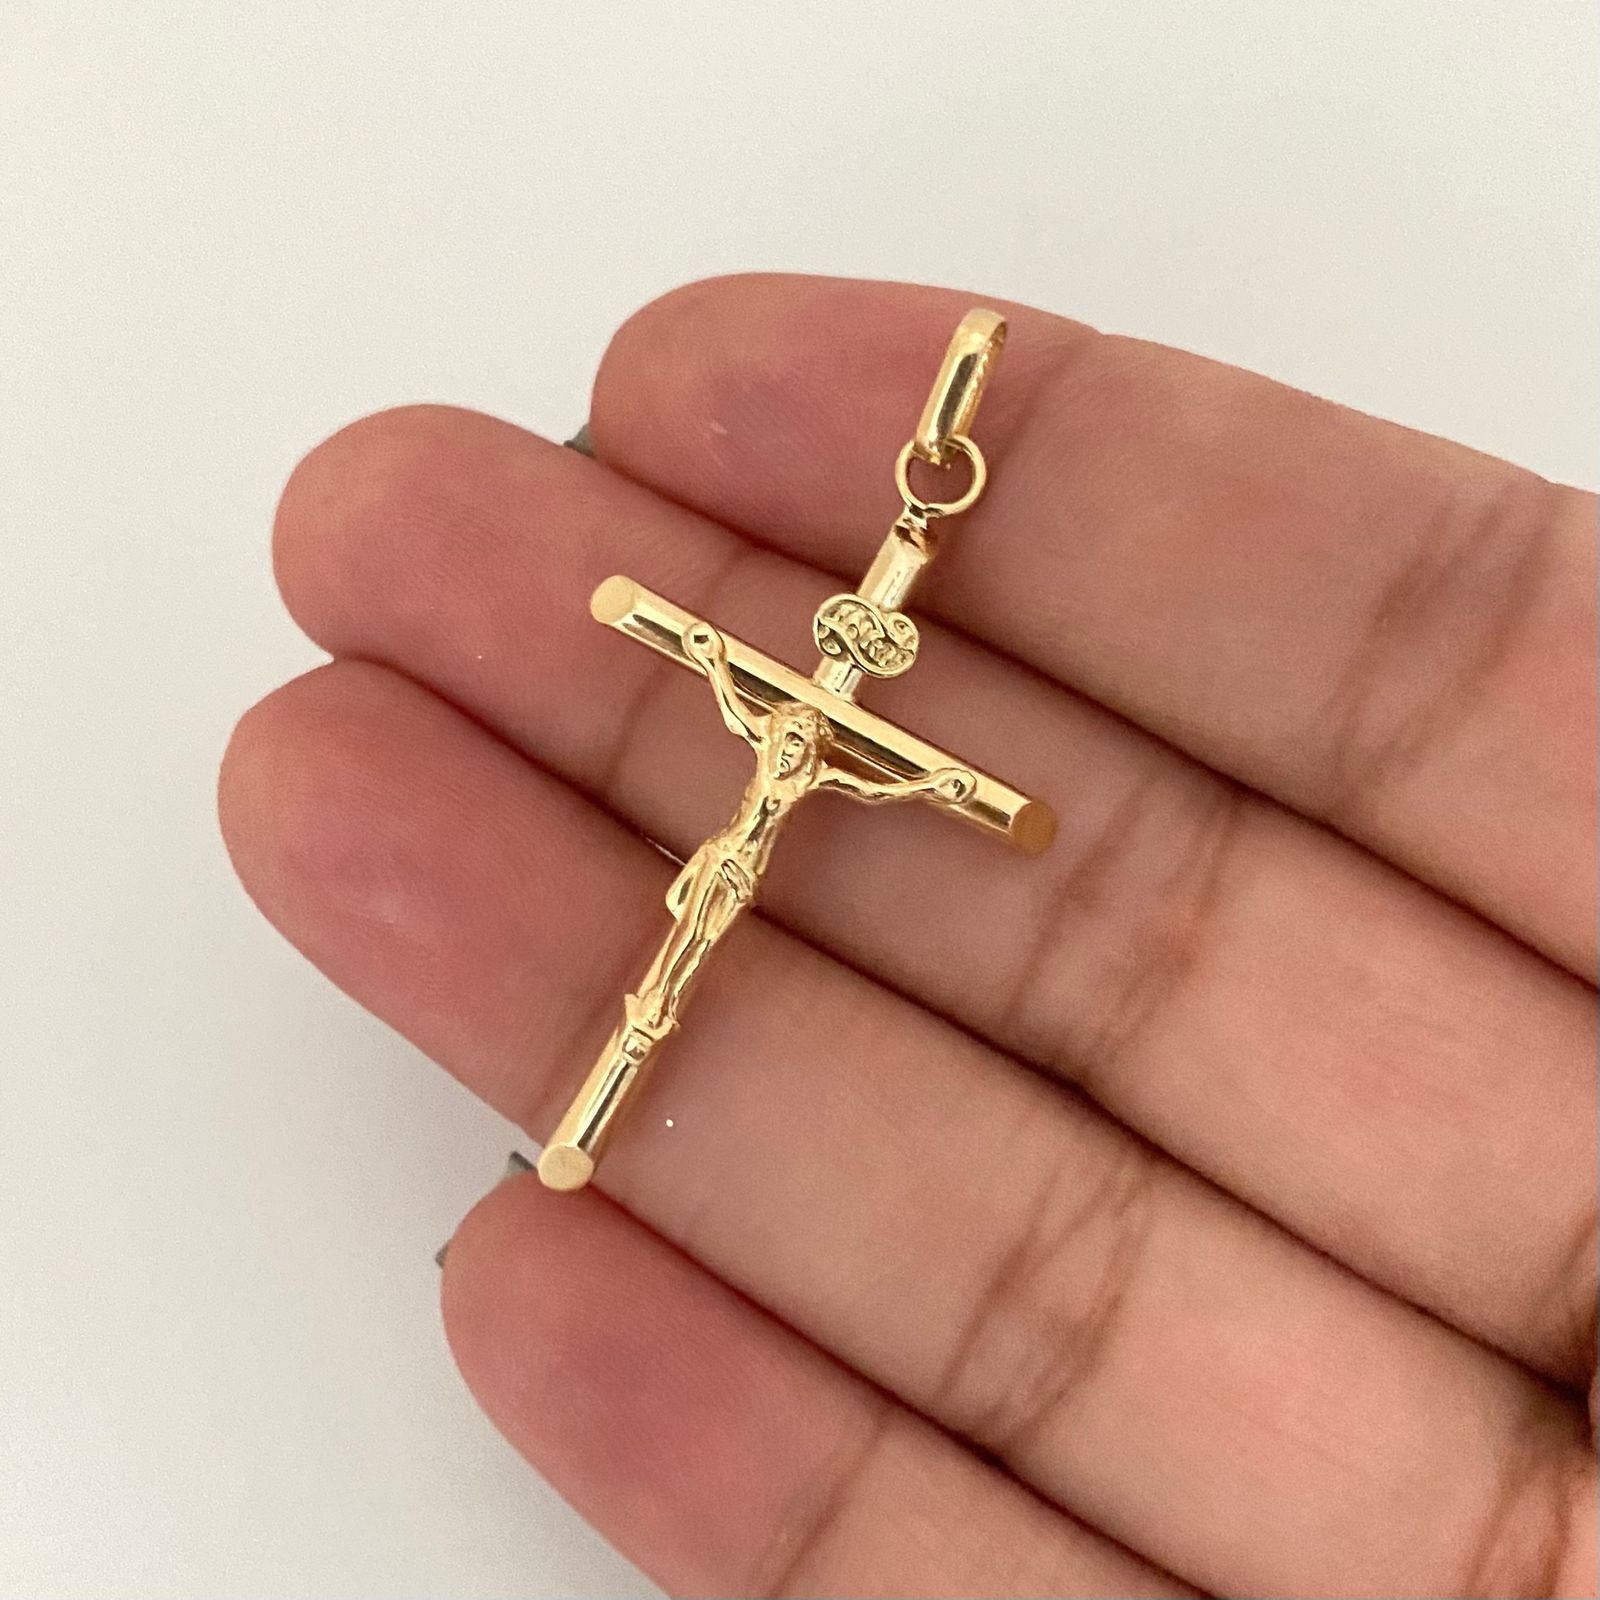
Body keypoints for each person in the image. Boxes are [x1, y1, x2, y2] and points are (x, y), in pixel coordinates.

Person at [219, 274, 1597, 1598]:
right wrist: (672, 630)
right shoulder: (765, 683)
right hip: (732, 843)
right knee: (680, 941)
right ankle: (605, 1093)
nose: (857, 663)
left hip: (756, 840)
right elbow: (691, 645)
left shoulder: (861, 743)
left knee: (683, 957)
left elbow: (951, 787)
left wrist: (968, 793)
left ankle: (605, 1098)